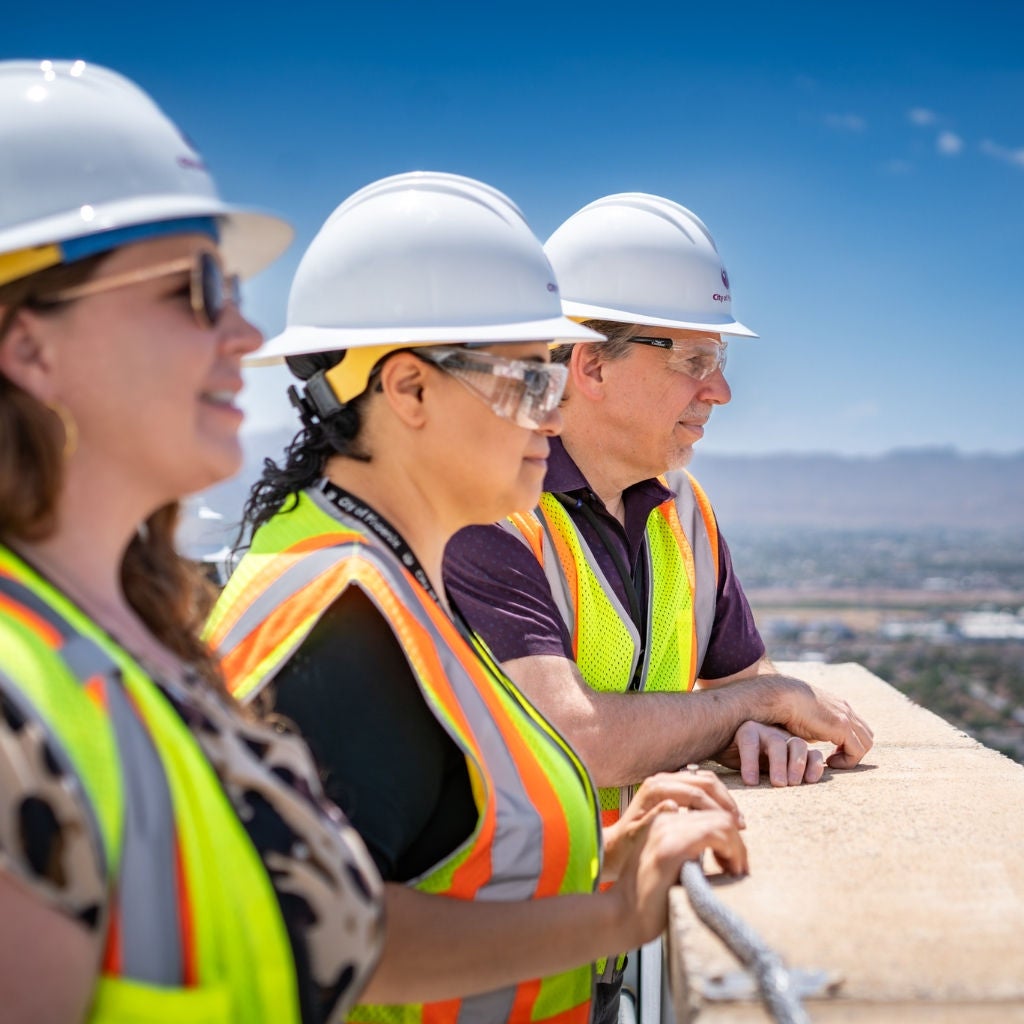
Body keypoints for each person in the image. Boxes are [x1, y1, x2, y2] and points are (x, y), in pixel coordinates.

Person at [205, 172, 748, 1024]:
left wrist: (604, 859)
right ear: (410, 391)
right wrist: (612, 915)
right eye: (530, 380)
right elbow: (329, 932)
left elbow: (439, 855)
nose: (553, 411)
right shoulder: (336, 615)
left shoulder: (389, 574)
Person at [0, 60, 384, 1023]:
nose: (245, 332)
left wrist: (612, 910)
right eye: (196, 286)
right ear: (28, 345)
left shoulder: (147, 633)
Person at [442, 193, 874, 1016]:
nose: (720, 393)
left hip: (584, 957)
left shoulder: (683, 513)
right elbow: (578, 741)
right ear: (589, 365)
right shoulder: (486, 513)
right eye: (692, 362)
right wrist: (761, 703)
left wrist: (746, 721)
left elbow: (741, 684)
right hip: (470, 973)